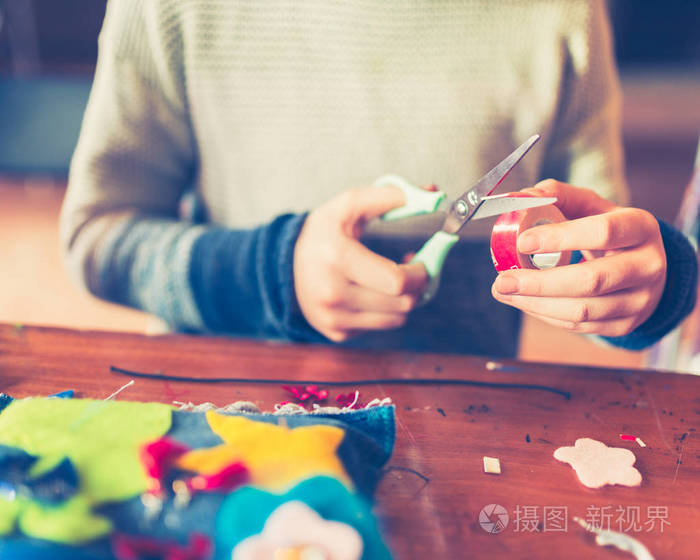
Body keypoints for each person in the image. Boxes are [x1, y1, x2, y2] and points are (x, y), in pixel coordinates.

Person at [59, 0, 697, 357]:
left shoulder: (562, 14)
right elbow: (97, 242)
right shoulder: (170, 10)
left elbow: (602, 250)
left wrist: (650, 285)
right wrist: (271, 274)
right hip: (228, 422)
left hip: (469, 435)